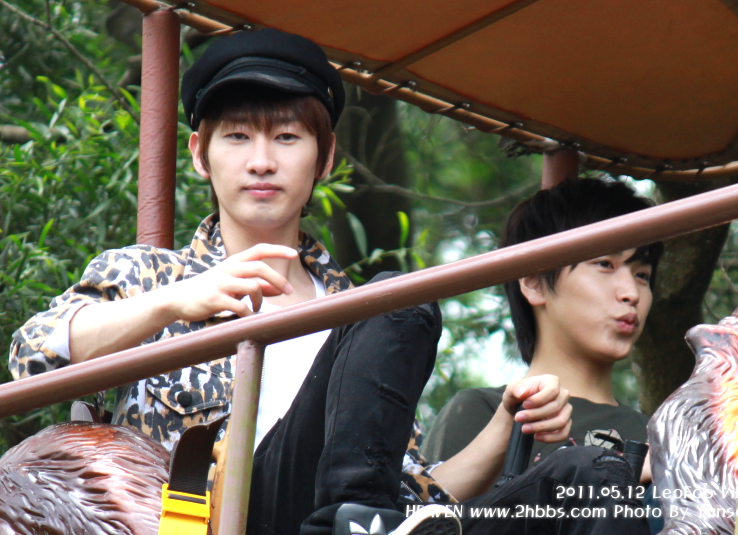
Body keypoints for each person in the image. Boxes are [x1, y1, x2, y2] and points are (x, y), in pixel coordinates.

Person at [8, 28, 461, 535]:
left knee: (399, 298)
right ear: (200, 154)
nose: (261, 162)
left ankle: (355, 521)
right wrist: (173, 302)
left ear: (326, 157)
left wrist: (504, 428)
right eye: (238, 136)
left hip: (326, 514)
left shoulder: (361, 321)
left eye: (287, 137)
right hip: (198, 520)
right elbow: (31, 358)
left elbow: (413, 484)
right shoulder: (149, 275)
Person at [418, 178, 663, 533]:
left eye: (642, 275)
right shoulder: (482, 412)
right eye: (604, 265)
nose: (631, 293)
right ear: (534, 281)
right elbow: (420, 519)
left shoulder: (659, 440)